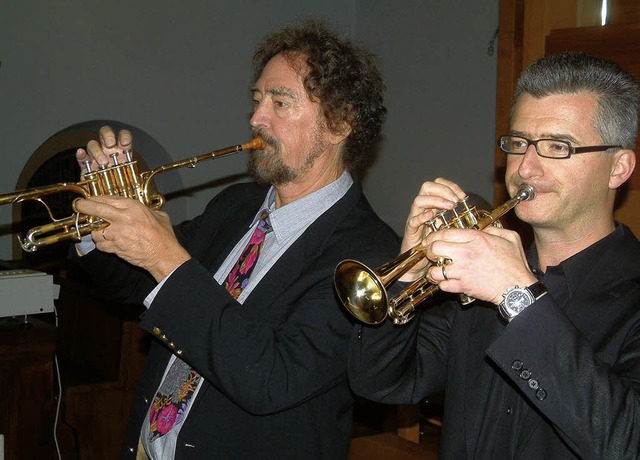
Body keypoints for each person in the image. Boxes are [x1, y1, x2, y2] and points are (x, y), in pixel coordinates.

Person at [71, 19, 399, 459]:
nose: (256, 119)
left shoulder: (370, 254)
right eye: (258, 100)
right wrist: (103, 218)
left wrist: (165, 255)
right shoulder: (236, 205)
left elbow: (270, 378)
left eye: (280, 103)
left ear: (340, 123)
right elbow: (135, 284)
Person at [348, 52, 640, 459]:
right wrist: (406, 276)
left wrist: (519, 297)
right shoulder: (480, 275)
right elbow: (380, 382)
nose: (525, 168)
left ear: (619, 167)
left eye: (558, 146)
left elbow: (627, 441)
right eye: (519, 143)